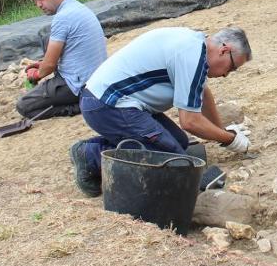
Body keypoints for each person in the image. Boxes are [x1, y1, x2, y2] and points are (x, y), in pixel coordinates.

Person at [69, 26, 253, 196]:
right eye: (232, 67)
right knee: (173, 161)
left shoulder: (196, 45)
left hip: (119, 102)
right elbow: (190, 122)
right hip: (107, 104)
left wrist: (221, 131)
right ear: (224, 50)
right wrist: (230, 139)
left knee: (179, 142)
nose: (226, 74)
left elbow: (203, 94)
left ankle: (101, 146)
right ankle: (90, 155)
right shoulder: (192, 55)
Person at [17, 0, 107, 120]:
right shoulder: (77, 6)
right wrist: (42, 64)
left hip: (80, 85)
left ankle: (79, 105)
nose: (39, 5)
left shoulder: (62, 18)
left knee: (24, 106)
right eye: (35, 1)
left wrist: (37, 75)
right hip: (97, 76)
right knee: (48, 39)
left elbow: (50, 66)